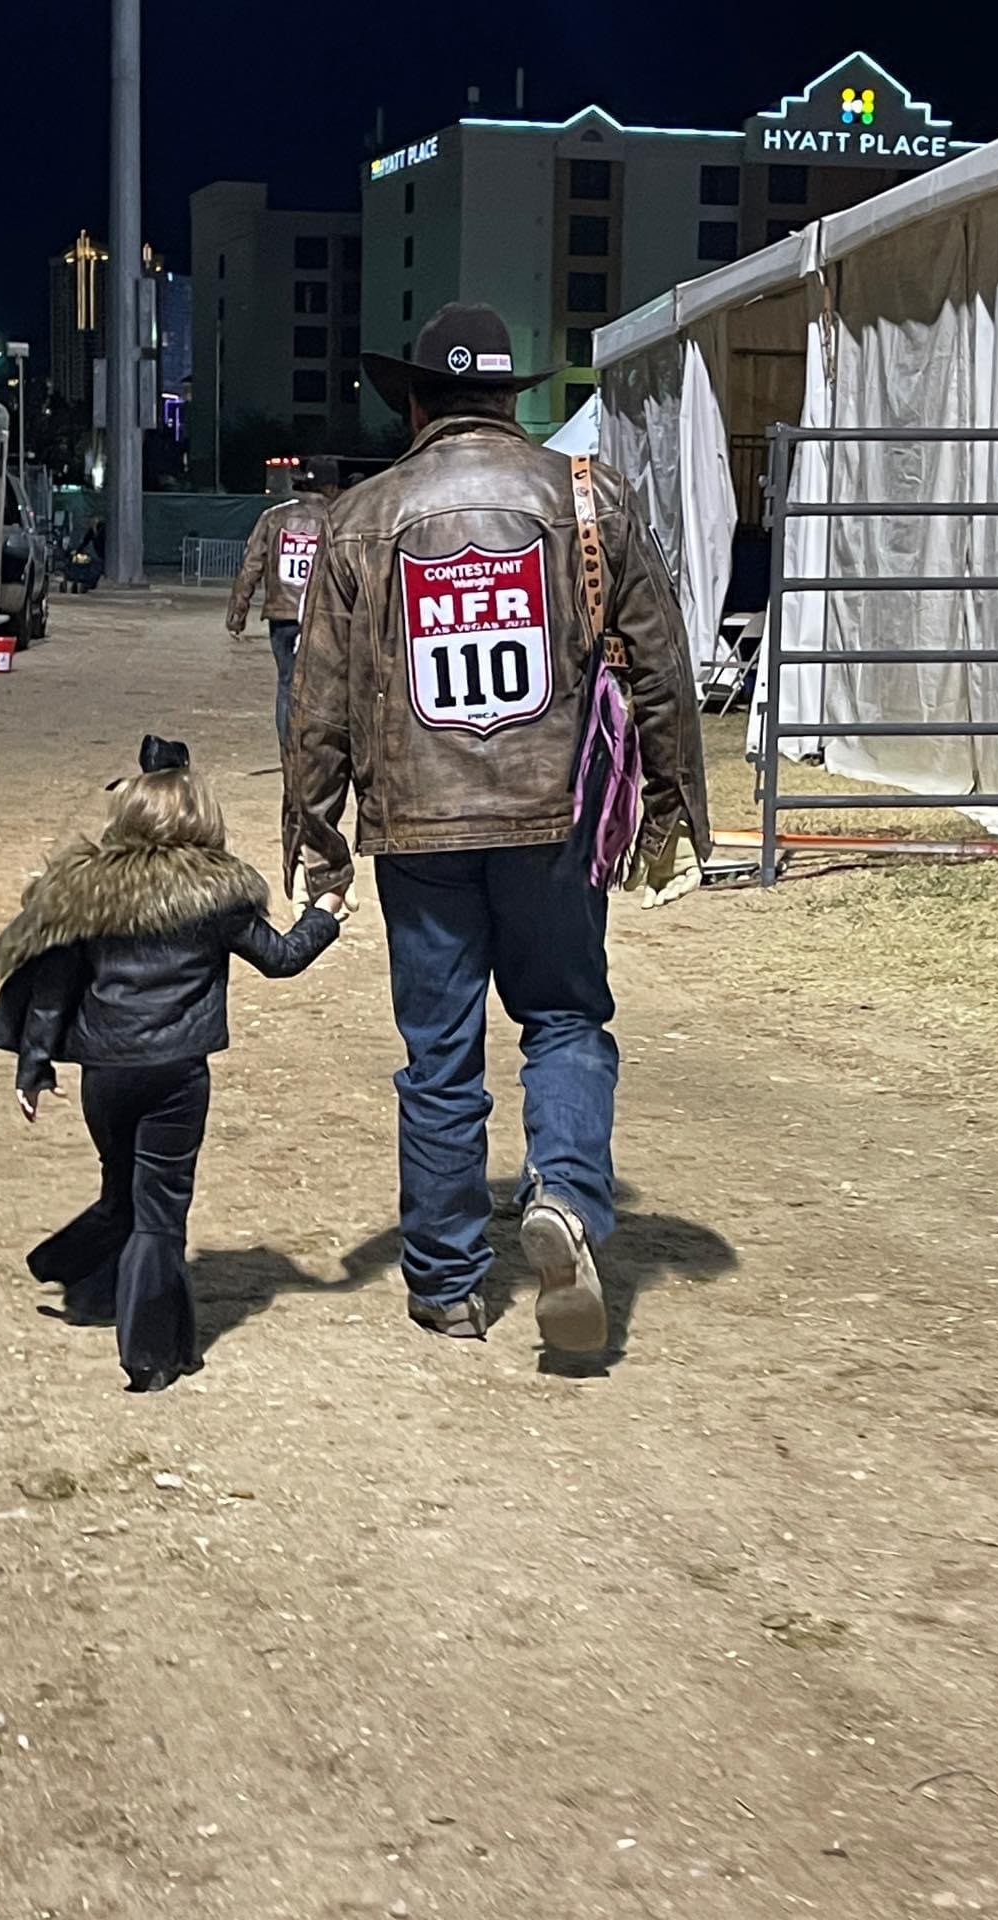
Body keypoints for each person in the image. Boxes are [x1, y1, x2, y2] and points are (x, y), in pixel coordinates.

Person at [283, 303, 710, 1356]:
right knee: (564, 1018)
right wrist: (670, 805)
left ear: (418, 401)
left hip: (417, 825)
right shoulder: (588, 498)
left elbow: (319, 702)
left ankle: (445, 1285)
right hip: (552, 815)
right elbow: (660, 661)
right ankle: (561, 1192)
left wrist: (317, 837)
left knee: (439, 1055)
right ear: (510, 401)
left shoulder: (362, 517)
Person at [0, 735, 345, 1393]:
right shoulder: (218, 895)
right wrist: (325, 913)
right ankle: (150, 1353)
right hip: (177, 1074)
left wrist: (33, 1064)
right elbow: (282, 958)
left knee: (122, 1186)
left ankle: (71, 1266)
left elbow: (54, 986)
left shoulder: (86, 891)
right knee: (158, 1212)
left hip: (105, 1073)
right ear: (199, 817)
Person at [226, 459, 340, 742]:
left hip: (283, 613)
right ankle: (317, 746)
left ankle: (288, 748)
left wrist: (237, 615)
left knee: (287, 683)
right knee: (326, 685)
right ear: (331, 486)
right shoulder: (338, 517)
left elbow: (251, 567)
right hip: (323, 615)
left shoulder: (273, 517)